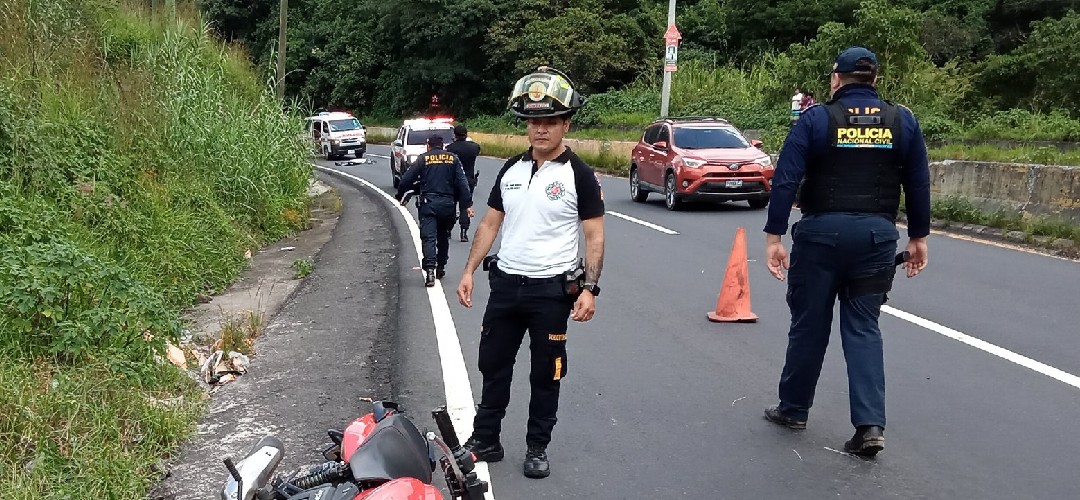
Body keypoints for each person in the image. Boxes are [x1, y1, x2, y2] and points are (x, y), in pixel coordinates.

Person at [761, 46, 931, 457]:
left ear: (836, 79)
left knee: (810, 324)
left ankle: (794, 408)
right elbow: (919, 181)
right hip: (876, 238)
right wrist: (919, 237)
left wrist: (774, 237)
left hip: (820, 237)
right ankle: (870, 426)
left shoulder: (816, 119)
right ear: (875, 80)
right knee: (863, 328)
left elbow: (786, 179)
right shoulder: (901, 120)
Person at [455, 66, 605, 479]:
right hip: (505, 286)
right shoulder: (511, 171)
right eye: (534, 122)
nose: (541, 130)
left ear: (565, 124)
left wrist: (590, 288)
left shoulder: (579, 175)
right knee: (493, 364)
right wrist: (468, 270)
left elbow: (594, 235)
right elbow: (489, 224)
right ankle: (486, 439)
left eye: (550, 122)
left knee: (546, 373)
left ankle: (538, 447)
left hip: (551, 293)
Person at [395, 135, 474, 287]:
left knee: (429, 237)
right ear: (443, 146)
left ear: (428, 146)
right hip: (447, 205)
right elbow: (462, 183)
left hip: (429, 204)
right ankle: (441, 267)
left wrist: (400, 195)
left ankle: (430, 271)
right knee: (443, 236)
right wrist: (467, 203)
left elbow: (406, 179)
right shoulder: (453, 159)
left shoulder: (423, 159)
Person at [445, 124, 481, 242]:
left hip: (453, 181)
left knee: (451, 205)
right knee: (465, 206)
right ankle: (464, 232)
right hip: (468, 180)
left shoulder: (450, 148)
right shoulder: (474, 147)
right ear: (466, 134)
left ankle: (448, 230)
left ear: (454, 135)